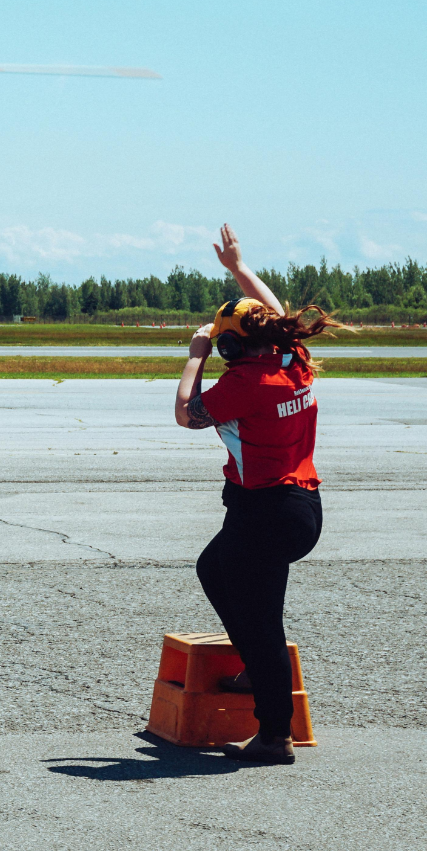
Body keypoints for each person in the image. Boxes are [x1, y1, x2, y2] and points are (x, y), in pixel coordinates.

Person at [173, 223, 344, 766]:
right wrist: (238, 269)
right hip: (296, 507)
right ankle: (256, 663)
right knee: (215, 571)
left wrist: (196, 353)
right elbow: (274, 311)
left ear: (230, 344)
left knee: (261, 616)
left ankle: (274, 735)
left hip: (266, 510)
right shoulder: (289, 359)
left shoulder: (246, 382)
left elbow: (185, 413)